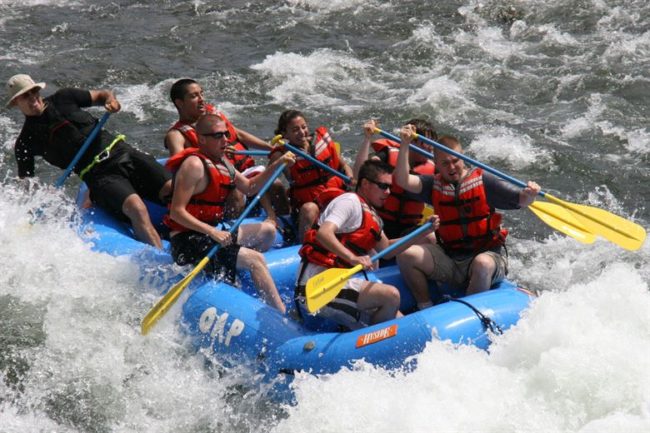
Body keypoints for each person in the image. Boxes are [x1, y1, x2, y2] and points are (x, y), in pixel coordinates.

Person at [6, 73, 172, 248]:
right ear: (17, 102)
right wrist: (39, 200)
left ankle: (194, 234)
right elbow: (27, 183)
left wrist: (111, 101)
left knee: (171, 189)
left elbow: (102, 95)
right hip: (99, 175)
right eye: (26, 95)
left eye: (34, 91)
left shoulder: (64, 97)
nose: (33, 98)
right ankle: (159, 256)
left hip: (123, 152)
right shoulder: (26, 141)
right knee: (136, 209)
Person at [393, 125, 540, 310]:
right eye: (445, 163)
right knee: (406, 255)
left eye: (455, 161)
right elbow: (402, 180)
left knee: (482, 264)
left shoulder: (484, 180)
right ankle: (424, 306)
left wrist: (530, 193)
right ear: (436, 165)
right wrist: (404, 144)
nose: (451, 167)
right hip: (451, 258)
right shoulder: (433, 184)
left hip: (486, 256)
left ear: (463, 158)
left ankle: (469, 312)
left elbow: (521, 200)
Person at [164, 113, 295, 313]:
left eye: (226, 134)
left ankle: (237, 268)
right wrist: (212, 232)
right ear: (202, 139)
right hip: (188, 240)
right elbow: (176, 212)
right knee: (256, 260)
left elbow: (250, 188)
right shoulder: (194, 165)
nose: (225, 140)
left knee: (268, 231)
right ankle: (281, 314)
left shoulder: (223, 162)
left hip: (213, 232)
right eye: (218, 136)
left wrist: (277, 164)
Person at [295, 160, 434, 329]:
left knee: (400, 320)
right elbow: (324, 234)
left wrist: (422, 233)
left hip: (339, 283)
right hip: (316, 285)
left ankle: (369, 338)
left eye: (390, 187)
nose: (388, 192)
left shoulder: (372, 215)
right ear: (365, 183)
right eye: (383, 186)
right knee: (391, 295)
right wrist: (353, 258)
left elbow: (387, 251)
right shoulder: (349, 201)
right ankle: (373, 341)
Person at [165, 78, 289, 222]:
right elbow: (179, 165)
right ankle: (231, 232)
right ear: (180, 103)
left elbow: (239, 134)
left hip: (241, 171)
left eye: (201, 94)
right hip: (218, 180)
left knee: (276, 184)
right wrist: (216, 152)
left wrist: (272, 148)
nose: (201, 99)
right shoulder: (176, 134)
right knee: (236, 194)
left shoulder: (213, 117)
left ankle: (286, 224)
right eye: (194, 96)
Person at [270, 109, 353, 243]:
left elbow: (343, 165)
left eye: (304, 127)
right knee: (309, 209)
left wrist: (350, 177)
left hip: (335, 196)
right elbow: (265, 180)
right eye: (295, 130)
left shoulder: (320, 141)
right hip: (310, 206)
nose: (302, 133)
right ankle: (305, 248)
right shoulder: (281, 155)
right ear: (285, 134)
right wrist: (271, 214)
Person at [353, 118, 437, 239]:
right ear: (412, 141)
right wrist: (367, 138)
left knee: (432, 238)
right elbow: (358, 175)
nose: (431, 148)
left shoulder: (434, 169)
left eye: (433, 143)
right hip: (378, 220)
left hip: (408, 229)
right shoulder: (388, 155)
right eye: (426, 142)